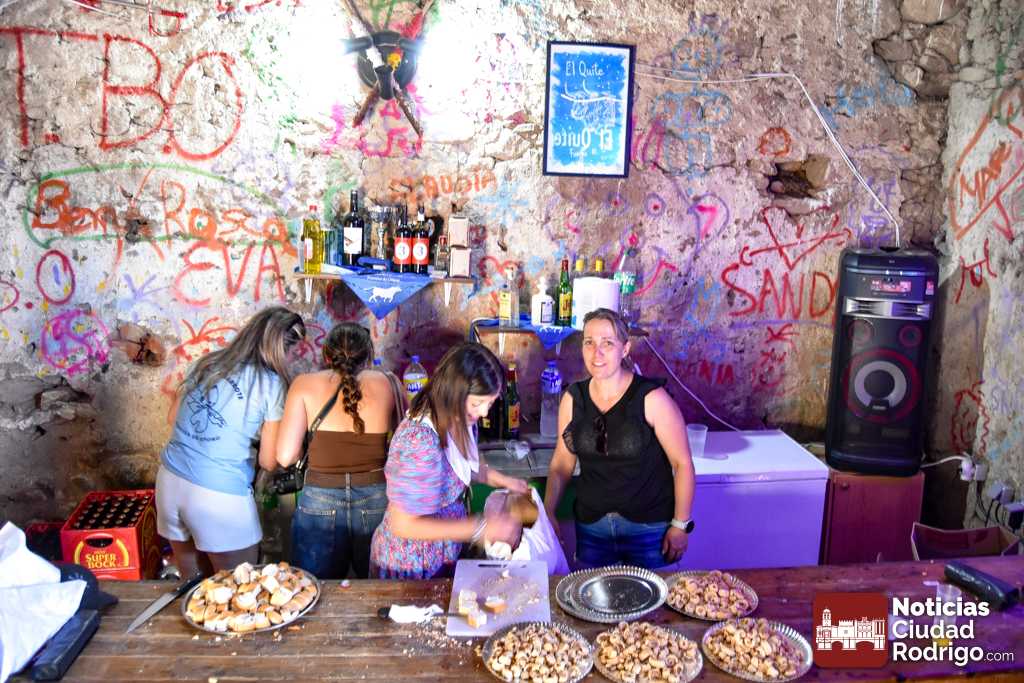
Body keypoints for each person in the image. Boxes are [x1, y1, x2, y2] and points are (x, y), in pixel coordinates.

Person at [156, 306, 305, 576]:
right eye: (295, 353)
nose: (295, 360)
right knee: (239, 586)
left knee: (192, 585)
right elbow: (268, 461)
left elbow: (172, 417)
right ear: (280, 349)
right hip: (219, 496)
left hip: (170, 483)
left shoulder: (207, 362)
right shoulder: (271, 384)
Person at [543, 308, 696, 570]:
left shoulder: (652, 398)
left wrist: (680, 525)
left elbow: (682, 464)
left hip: (650, 529)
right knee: (592, 596)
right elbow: (561, 464)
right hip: (592, 529)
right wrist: (548, 511)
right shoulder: (573, 399)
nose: (596, 353)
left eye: (607, 343)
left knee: (654, 598)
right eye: (589, 342)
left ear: (625, 349)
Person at [370, 343, 527, 579]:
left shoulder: (460, 419)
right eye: (477, 403)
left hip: (442, 554)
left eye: (490, 403)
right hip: (410, 564)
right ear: (454, 393)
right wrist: (480, 527)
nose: (484, 412)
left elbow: (465, 466)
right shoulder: (419, 441)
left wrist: (505, 481)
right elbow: (403, 524)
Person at [276, 323, 405, 579]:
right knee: (379, 589)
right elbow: (406, 447)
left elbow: (285, 456)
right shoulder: (389, 382)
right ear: (368, 356)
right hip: (377, 498)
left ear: (327, 355)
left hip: (319, 499)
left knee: (314, 589)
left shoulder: (303, 384)